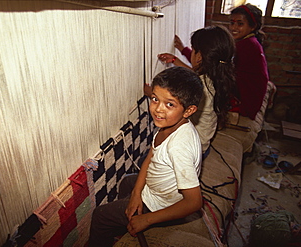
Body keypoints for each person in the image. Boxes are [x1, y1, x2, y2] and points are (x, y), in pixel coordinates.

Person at [89, 66, 203, 247]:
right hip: (155, 190)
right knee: (127, 183)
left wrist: (147, 219)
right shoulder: (169, 125)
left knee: (100, 216)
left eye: (169, 104)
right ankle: (125, 223)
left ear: (188, 111)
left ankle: (120, 225)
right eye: (155, 99)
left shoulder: (179, 147)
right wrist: (136, 194)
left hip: (161, 205)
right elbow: (151, 156)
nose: (158, 109)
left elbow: (194, 202)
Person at [173, 4, 269, 120]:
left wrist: (176, 60)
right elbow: (208, 60)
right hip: (248, 96)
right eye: (232, 23)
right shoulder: (250, 42)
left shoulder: (246, 46)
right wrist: (183, 50)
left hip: (246, 102)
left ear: (253, 26)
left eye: (240, 24)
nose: (234, 28)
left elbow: (207, 66)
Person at [151, 26, 236, 155]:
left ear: (199, 57)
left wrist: (151, 93)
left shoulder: (202, 88)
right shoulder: (217, 77)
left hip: (191, 150)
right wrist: (176, 60)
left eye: (193, 50)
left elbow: (175, 100)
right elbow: (195, 76)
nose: (191, 52)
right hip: (203, 143)